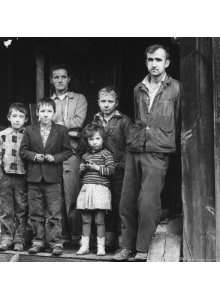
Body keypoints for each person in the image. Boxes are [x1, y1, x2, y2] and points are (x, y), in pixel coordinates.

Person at [114, 44, 180, 261]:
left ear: (167, 63)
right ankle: (126, 246)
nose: (154, 64)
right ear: (146, 62)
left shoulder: (176, 89)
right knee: (127, 200)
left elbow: (179, 119)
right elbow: (138, 117)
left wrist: (165, 138)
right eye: (150, 59)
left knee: (148, 202)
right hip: (135, 148)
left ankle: (142, 249)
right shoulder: (137, 88)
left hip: (158, 150)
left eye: (158, 60)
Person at [20, 97, 72, 256]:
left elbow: (68, 151)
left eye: (49, 111)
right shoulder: (29, 130)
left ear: (54, 113)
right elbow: (23, 151)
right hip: (34, 178)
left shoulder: (61, 131)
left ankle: (55, 242)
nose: (46, 114)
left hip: (53, 178)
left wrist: (55, 158)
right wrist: (35, 156)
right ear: (37, 113)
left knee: (54, 213)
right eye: (42, 111)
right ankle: (38, 242)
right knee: (35, 212)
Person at [50, 64, 88, 243]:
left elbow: (79, 122)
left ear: (69, 79)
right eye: (56, 77)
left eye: (63, 77)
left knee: (72, 193)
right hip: (53, 153)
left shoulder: (79, 99)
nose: (59, 80)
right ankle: (60, 235)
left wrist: (57, 125)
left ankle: (76, 235)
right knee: (56, 195)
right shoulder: (48, 101)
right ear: (51, 80)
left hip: (72, 152)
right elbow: (45, 123)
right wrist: (67, 127)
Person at [93, 86, 132, 250]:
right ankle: (107, 237)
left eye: (110, 101)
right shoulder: (95, 120)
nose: (106, 104)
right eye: (103, 101)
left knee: (119, 203)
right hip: (100, 169)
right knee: (103, 203)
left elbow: (130, 144)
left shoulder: (123, 120)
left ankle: (122, 238)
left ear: (116, 103)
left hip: (118, 168)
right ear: (98, 102)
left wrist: (122, 164)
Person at [0, 102, 28, 251]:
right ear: (9, 117)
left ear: (26, 119)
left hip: (22, 177)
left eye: (21, 116)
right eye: (14, 116)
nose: (17, 119)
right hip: (6, 177)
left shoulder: (28, 135)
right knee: (6, 209)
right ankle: (6, 237)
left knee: (22, 208)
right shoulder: (2, 135)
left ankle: (19, 239)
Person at [76, 122, 115, 256]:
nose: (94, 142)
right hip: (87, 189)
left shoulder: (106, 154)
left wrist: (97, 168)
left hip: (100, 190)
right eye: (91, 139)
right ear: (87, 141)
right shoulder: (85, 156)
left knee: (99, 220)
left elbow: (111, 170)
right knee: (86, 219)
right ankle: (85, 246)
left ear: (103, 139)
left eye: (97, 138)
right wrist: (81, 170)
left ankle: (100, 247)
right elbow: (82, 175)